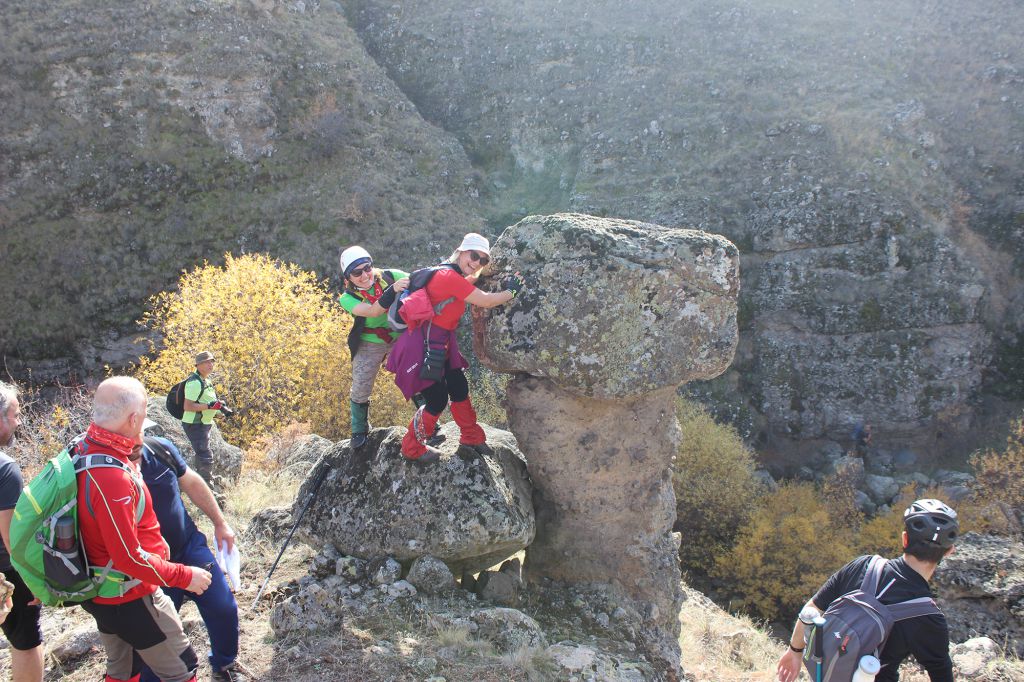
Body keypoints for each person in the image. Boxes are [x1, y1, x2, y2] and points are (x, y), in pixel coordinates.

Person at [78, 376, 213, 682]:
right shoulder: (110, 477)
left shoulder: (83, 450)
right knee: (183, 669)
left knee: (124, 669)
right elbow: (127, 557)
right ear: (133, 418)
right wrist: (185, 575)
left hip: (101, 591)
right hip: (132, 593)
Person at [776, 498, 958, 682]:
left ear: (905, 539)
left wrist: (794, 652)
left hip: (824, 674)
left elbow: (813, 608)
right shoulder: (928, 618)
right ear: (949, 551)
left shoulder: (863, 565)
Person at [386, 232, 524, 463]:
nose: (477, 263)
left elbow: (463, 285)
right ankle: (411, 448)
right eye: (473, 256)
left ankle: (471, 436)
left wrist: (480, 273)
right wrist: (511, 291)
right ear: (461, 252)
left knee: (459, 387)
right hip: (423, 346)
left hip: (441, 342)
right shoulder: (447, 276)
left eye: (483, 260)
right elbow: (486, 301)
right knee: (436, 400)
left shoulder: (450, 274)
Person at [136, 424, 248, 682]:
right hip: (150, 566)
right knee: (157, 637)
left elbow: (191, 481)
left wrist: (220, 523)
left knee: (223, 607)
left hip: (187, 546)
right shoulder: (110, 471)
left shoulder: (160, 449)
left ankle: (225, 664)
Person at [337, 246, 410, 448]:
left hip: (399, 336)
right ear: (348, 277)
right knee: (361, 385)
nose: (364, 275)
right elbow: (372, 311)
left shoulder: (390, 275)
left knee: (413, 374)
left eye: (367, 268)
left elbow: (420, 281)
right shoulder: (347, 298)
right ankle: (359, 429)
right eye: (356, 272)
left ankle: (428, 420)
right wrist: (393, 290)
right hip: (370, 343)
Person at [0, 381, 44, 682]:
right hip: (8, 574)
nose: (18, 422)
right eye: (14, 415)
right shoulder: (6, 469)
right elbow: (12, 537)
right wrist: (37, 580)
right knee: (26, 643)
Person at [180, 351, 231, 483]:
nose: (210, 364)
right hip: (195, 423)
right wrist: (209, 407)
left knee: (203, 452)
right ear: (198, 365)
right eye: (207, 362)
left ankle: (204, 480)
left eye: (211, 361)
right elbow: (188, 406)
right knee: (205, 454)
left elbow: (208, 401)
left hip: (204, 423)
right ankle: (206, 484)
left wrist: (219, 412)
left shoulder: (206, 381)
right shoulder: (194, 383)